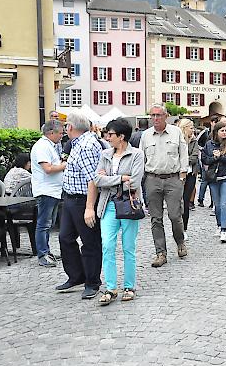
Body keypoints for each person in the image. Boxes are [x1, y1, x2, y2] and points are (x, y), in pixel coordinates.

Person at [93, 118, 145, 306]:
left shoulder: (137, 154)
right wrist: (120, 178)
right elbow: (97, 180)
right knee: (107, 245)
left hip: (128, 204)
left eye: (111, 134)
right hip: (108, 204)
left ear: (121, 136)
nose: (107, 137)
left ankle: (129, 286)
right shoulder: (105, 154)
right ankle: (110, 288)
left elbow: (135, 182)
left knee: (128, 247)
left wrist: (110, 178)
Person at [56, 111, 103, 299]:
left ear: (70, 127)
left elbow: (93, 179)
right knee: (65, 238)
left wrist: (89, 207)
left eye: (66, 125)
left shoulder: (87, 145)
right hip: (70, 198)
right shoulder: (78, 143)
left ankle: (92, 282)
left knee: (89, 242)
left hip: (82, 200)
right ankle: (76, 276)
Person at [140, 104, 189, 268]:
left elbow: (184, 154)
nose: (155, 118)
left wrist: (182, 175)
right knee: (155, 218)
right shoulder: (146, 135)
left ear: (165, 116)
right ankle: (160, 252)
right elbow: (141, 158)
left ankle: (180, 241)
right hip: (152, 178)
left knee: (175, 215)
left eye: (158, 115)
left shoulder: (176, 132)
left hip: (173, 178)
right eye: (152, 115)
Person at [31, 120, 67, 267]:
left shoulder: (49, 145)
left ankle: (46, 251)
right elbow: (48, 168)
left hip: (52, 190)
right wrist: (64, 165)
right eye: (60, 133)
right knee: (44, 224)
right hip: (46, 190)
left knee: (48, 223)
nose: (62, 136)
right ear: (51, 133)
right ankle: (43, 254)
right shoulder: (42, 146)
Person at [201, 121, 226, 243]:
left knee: (223, 204)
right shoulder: (209, 145)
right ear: (216, 132)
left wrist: (221, 156)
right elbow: (204, 159)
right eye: (222, 130)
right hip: (213, 178)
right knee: (217, 205)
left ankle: (223, 230)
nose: (224, 133)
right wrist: (214, 158)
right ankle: (218, 225)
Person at [177, 118, 200, 239]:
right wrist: (184, 160)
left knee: (186, 202)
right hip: (177, 174)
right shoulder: (176, 140)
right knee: (177, 203)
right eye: (191, 128)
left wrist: (183, 160)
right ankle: (177, 226)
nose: (193, 130)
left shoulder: (194, 141)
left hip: (190, 174)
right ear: (185, 128)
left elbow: (195, 157)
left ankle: (184, 228)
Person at [197, 115, 219, 208]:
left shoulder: (218, 133)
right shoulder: (205, 132)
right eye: (214, 122)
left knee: (213, 180)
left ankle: (212, 202)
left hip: (215, 159)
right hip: (206, 158)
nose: (215, 123)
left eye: (217, 122)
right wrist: (202, 150)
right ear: (211, 122)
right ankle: (200, 199)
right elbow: (197, 142)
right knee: (204, 181)